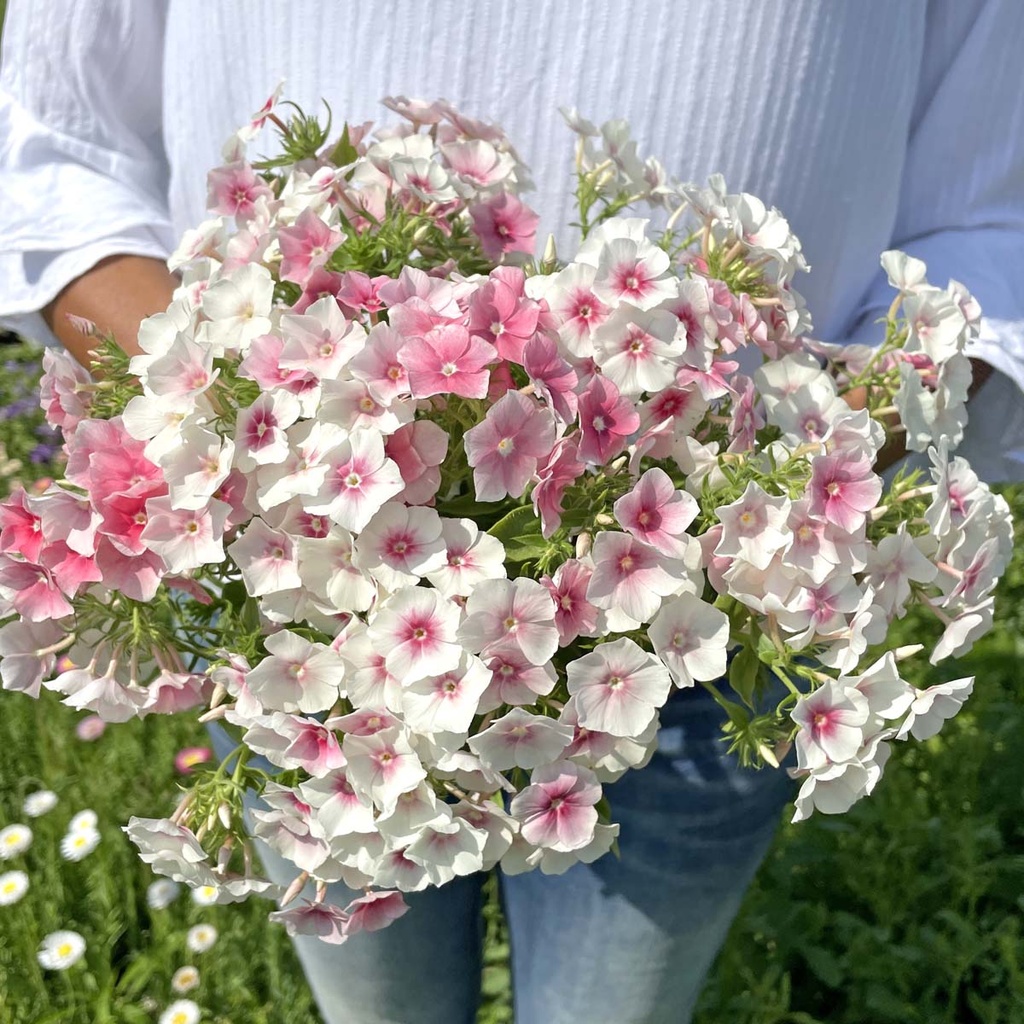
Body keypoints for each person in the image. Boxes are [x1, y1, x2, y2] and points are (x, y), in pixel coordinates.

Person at [1, 2, 1023, 1022]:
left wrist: (796, 481)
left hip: (727, 615)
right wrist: (240, 429)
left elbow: (986, 230)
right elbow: (54, 157)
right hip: (298, 624)